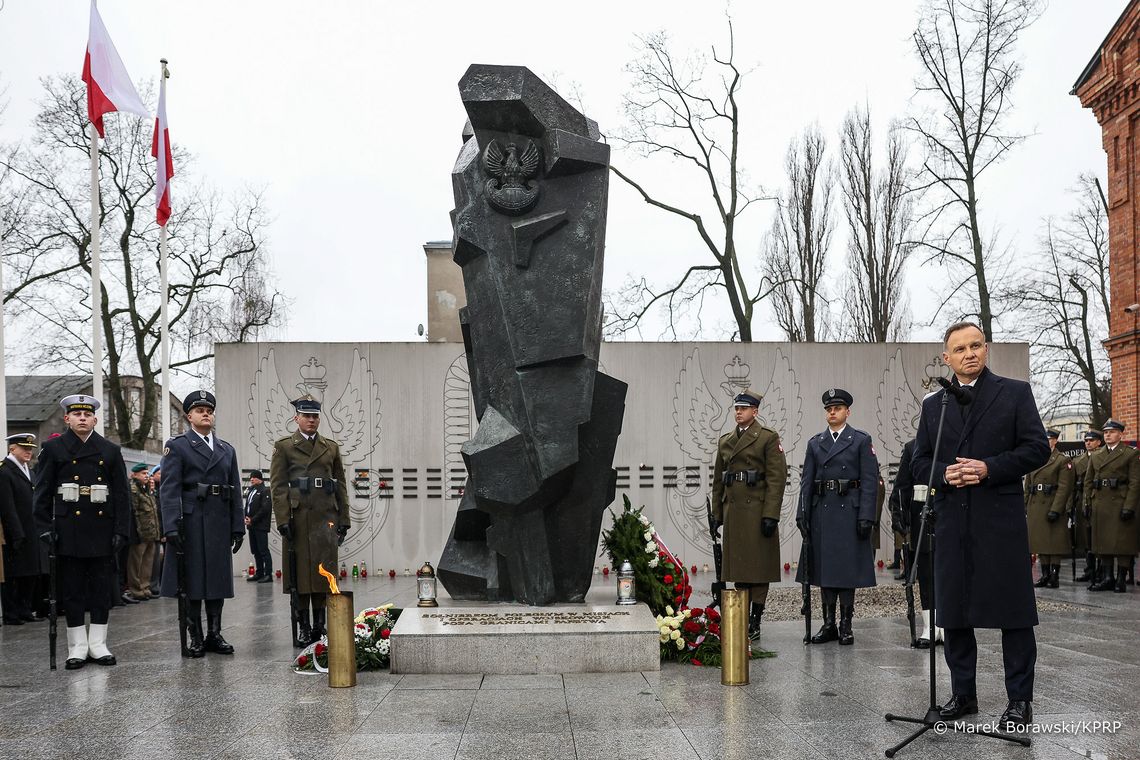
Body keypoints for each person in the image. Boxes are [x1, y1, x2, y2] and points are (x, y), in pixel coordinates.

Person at [912, 321, 1049, 731]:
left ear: (985, 349)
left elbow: (1036, 448)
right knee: (953, 613)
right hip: (953, 522)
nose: (970, 353)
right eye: (961, 349)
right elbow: (919, 462)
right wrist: (943, 475)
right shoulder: (933, 405)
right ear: (946, 358)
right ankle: (964, 694)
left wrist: (990, 468)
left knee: (1014, 614)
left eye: (976, 345)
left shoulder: (1014, 392)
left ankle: (1019, 702)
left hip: (1000, 522)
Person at [32, 394, 130, 669]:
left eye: (87, 415)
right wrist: (44, 529)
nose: (83, 418)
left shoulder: (110, 450)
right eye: (77, 414)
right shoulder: (53, 449)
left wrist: (122, 530)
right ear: (67, 418)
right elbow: (41, 494)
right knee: (72, 590)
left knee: (101, 589)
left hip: (101, 528)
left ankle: (98, 644)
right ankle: (76, 646)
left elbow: (122, 495)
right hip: (67, 530)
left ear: (95, 419)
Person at [159, 390, 245, 657]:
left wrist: (237, 526)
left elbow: (235, 490)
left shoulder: (225, 449)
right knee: (193, 581)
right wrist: (171, 525)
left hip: (218, 520)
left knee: (217, 580)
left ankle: (214, 634)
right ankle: (195, 635)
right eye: (199, 410)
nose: (206, 413)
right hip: (192, 521)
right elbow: (169, 488)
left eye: (209, 409)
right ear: (189, 416)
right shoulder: (178, 446)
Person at [796, 388, 879, 646]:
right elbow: (806, 482)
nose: (832, 412)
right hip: (823, 512)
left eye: (838, 408)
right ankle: (829, 623)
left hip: (849, 513)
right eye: (829, 409)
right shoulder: (815, 443)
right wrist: (803, 514)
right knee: (825, 572)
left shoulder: (860, 440)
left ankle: (846, 624)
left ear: (847, 412)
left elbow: (869, 482)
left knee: (846, 572)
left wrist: (867, 515)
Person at [271, 395, 350, 647]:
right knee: (301, 576)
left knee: (323, 574)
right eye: (306, 416)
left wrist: (344, 518)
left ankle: (320, 624)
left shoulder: (331, 447)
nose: (311, 420)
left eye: (315, 416)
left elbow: (340, 485)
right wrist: (283, 519)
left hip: (325, 517)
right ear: (296, 418)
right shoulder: (284, 446)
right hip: (299, 519)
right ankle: (303, 625)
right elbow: (278, 486)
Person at [709, 388, 788, 640]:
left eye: (743, 408)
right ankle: (741, 617)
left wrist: (771, 514)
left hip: (757, 511)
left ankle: (756, 619)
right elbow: (718, 482)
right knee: (740, 570)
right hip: (735, 514)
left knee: (758, 569)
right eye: (736, 408)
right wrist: (716, 515)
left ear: (755, 411)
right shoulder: (725, 441)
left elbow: (777, 479)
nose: (738, 412)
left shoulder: (766, 437)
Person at [892, 436, 940, 647]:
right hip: (923, 518)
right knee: (927, 574)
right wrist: (898, 514)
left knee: (951, 572)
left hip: (953, 515)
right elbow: (902, 485)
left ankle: (948, 626)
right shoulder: (913, 446)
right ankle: (930, 626)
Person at [1082, 419, 1139, 593]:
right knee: (1103, 542)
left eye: (1112, 432)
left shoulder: (1130, 454)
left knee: (1122, 543)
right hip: (1100, 503)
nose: (1108, 435)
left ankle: (1121, 579)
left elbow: (1135, 483)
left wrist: (1129, 506)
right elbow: (1088, 481)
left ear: (1121, 434)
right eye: (1106, 432)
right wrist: (1087, 502)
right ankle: (1108, 577)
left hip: (1119, 502)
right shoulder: (1097, 454)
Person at [1, 434, 45, 624]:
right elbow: (7, 506)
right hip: (16, 531)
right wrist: (16, 532)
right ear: (12, 448)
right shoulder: (5, 471)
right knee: (14, 574)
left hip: (32, 528)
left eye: (30, 448)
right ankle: (12, 612)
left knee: (30, 571)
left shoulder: (30, 471)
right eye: (24, 448)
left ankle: (25, 609)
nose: (29, 451)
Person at [1025, 429, 1075, 590]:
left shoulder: (1062, 459)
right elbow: (1028, 485)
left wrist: (1057, 509)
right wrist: (1024, 505)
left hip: (1051, 503)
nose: (1047, 442)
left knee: (1053, 543)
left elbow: (1064, 488)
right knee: (1040, 543)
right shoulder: (1035, 457)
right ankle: (1044, 575)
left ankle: (1054, 576)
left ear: (1055, 441)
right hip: (1035, 504)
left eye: (1050, 439)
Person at [124, 463, 160, 602]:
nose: (147, 476)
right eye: (143, 474)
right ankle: (136, 590)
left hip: (150, 532)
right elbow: (135, 513)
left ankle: (145, 588)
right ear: (135, 475)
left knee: (147, 562)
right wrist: (137, 533)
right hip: (140, 533)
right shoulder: (134, 490)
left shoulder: (147, 490)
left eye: (147, 473)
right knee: (136, 563)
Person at [1072, 431, 1104, 582]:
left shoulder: (1105, 457)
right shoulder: (1078, 461)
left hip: (1099, 500)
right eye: (1086, 440)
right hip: (1081, 501)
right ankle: (1089, 569)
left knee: (1100, 537)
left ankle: (1102, 570)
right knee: (1085, 538)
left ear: (1099, 442)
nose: (1088, 443)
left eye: (1092, 440)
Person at [244, 470, 273, 583]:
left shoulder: (265, 491)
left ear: (259, 479)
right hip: (252, 526)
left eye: (254, 477)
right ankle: (259, 572)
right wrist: (246, 517)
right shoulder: (252, 490)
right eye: (251, 477)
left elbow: (265, 509)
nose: (251, 479)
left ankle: (268, 574)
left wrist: (253, 519)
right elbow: (248, 506)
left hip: (260, 526)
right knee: (255, 550)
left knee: (263, 550)